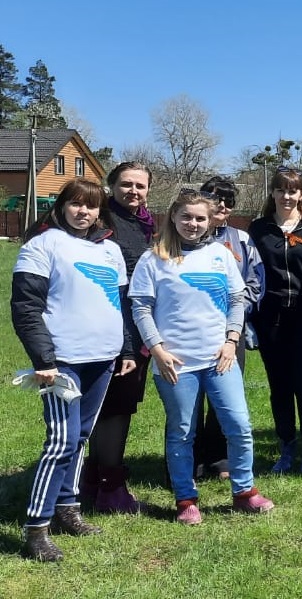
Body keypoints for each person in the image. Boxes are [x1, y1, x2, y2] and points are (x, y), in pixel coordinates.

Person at [130, 189, 274, 524]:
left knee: (239, 426)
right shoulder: (154, 258)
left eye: (200, 218)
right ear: (173, 217)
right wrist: (157, 350)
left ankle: (244, 492)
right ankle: (186, 500)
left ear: (210, 221)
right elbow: (141, 307)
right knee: (182, 431)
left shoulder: (220, 254)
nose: (193, 224)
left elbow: (237, 299)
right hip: (175, 363)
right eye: (186, 217)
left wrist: (231, 339)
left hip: (219, 358)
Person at [12, 179, 131, 562]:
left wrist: (126, 348)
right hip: (62, 360)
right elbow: (26, 308)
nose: (84, 212)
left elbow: (121, 302)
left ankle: (68, 509)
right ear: (62, 206)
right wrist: (44, 360)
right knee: (60, 442)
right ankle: (37, 528)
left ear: (101, 211)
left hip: (104, 359)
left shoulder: (110, 250)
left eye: (92, 206)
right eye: (76, 204)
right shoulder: (42, 244)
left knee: (80, 438)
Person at [248, 166, 302, 474]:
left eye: (293, 190)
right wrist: (247, 319)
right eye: (281, 190)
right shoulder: (258, 230)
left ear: (301, 194)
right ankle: (286, 447)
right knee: (280, 387)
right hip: (270, 319)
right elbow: (250, 275)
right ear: (272, 192)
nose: (287, 196)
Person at [83, 161, 154, 514]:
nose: (133, 191)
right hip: (110, 327)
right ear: (111, 185)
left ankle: (94, 479)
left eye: (140, 186)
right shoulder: (101, 220)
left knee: (119, 405)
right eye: (126, 184)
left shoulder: (143, 223)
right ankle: (110, 487)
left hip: (138, 328)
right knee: (111, 408)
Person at [189, 176, 263, 480]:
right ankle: (189, 460)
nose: (221, 204)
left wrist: (233, 316)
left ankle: (219, 458)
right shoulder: (184, 234)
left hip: (231, 334)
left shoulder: (242, 240)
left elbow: (256, 283)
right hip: (189, 332)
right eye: (215, 197)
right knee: (189, 400)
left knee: (224, 397)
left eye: (228, 200)